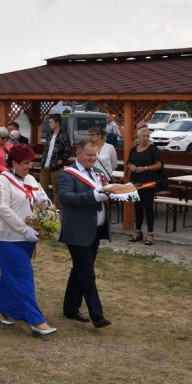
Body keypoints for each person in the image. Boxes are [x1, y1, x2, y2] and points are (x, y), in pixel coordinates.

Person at [0, 143, 56, 336]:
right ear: (14, 163)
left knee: (10, 275)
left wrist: (46, 206)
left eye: (30, 163)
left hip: (27, 238)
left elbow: (41, 199)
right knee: (23, 276)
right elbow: (2, 209)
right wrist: (23, 228)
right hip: (6, 237)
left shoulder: (31, 180)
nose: (29, 166)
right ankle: (36, 320)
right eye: (25, 163)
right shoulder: (2, 181)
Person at [58, 140, 120, 328]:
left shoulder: (99, 173)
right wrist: (92, 196)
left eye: (95, 155)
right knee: (87, 273)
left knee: (80, 269)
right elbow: (66, 198)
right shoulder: (67, 175)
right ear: (78, 154)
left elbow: (106, 194)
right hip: (77, 231)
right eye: (89, 155)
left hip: (95, 229)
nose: (93, 159)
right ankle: (97, 316)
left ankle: (70, 307)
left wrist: (118, 194)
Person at [126, 127, 163, 245]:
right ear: (138, 137)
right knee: (137, 207)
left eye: (148, 136)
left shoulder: (153, 149)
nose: (146, 138)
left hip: (148, 181)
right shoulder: (133, 149)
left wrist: (146, 168)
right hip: (136, 181)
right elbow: (129, 162)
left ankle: (150, 233)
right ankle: (138, 231)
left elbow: (159, 165)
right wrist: (131, 167)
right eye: (144, 136)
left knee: (148, 207)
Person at [39, 114, 71, 208]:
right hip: (45, 164)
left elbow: (68, 151)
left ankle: (56, 208)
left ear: (57, 123)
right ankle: (41, 207)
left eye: (51, 122)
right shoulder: (49, 134)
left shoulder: (64, 136)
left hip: (56, 167)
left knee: (56, 189)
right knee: (41, 188)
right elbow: (46, 149)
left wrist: (61, 161)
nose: (49, 124)